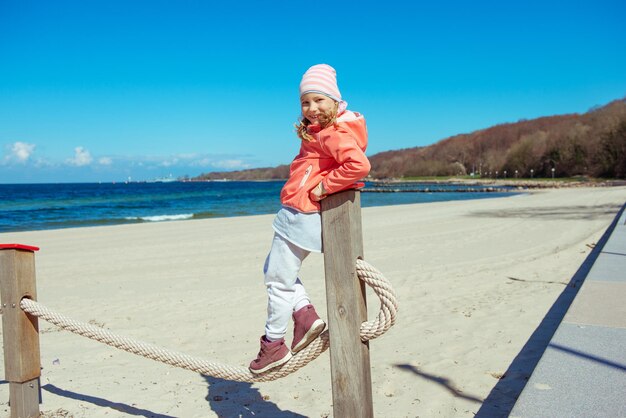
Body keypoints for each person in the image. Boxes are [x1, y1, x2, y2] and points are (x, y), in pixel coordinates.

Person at [249, 64, 371, 374]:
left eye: (319, 100)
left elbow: (358, 166)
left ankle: (274, 344)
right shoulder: (321, 131)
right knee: (276, 271)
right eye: (305, 102)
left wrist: (323, 187)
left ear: (334, 100)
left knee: (277, 281)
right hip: (300, 214)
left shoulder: (333, 132)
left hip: (300, 214)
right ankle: (304, 315)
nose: (312, 108)